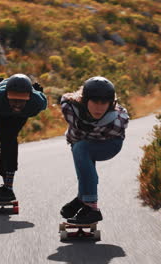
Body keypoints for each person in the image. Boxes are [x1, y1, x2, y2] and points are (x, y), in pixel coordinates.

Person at [59, 76, 129, 224]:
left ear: (111, 103)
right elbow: (66, 100)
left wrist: (89, 128)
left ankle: (91, 208)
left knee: (82, 147)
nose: (99, 108)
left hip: (109, 145)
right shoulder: (70, 108)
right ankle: (82, 199)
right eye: (95, 102)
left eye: (104, 103)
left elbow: (95, 134)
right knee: (81, 151)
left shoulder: (117, 120)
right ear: (85, 101)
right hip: (80, 143)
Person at [0, 73, 47, 202]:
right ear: (7, 95)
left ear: (29, 97)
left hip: (23, 113)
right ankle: (6, 186)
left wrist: (39, 93)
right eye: (13, 98)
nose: (17, 104)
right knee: (6, 142)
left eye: (21, 99)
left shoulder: (36, 102)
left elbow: (44, 102)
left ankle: (8, 187)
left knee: (9, 140)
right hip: (2, 111)